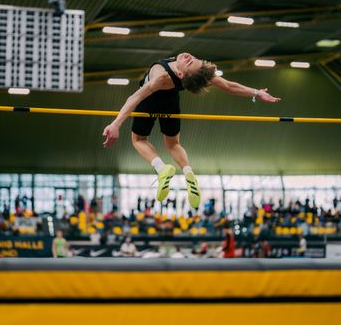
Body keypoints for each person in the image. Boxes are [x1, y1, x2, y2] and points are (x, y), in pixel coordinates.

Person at [102, 52, 280, 208]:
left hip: (149, 101)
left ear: (180, 75)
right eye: (194, 59)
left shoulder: (161, 76)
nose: (189, 57)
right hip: (170, 102)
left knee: (139, 139)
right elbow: (228, 86)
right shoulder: (196, 75)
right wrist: (257, 92)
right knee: (173, 144)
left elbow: (136, 96)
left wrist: (116, 123)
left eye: (189, 62)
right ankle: (188, 172)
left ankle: (162, 169)